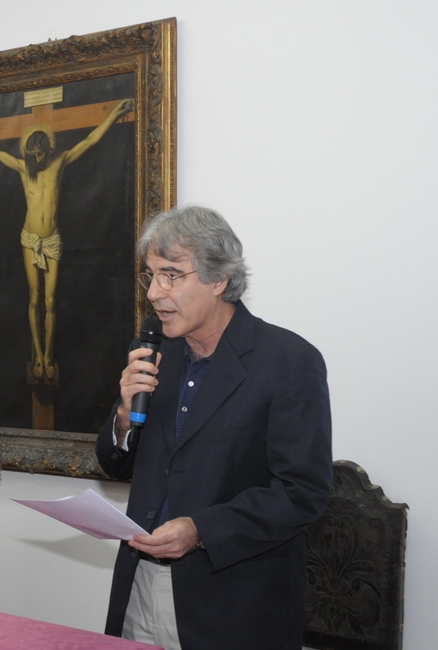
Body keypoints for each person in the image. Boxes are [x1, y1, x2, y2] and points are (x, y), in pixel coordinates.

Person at [96, 205, 332, 649]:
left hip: (231, 600)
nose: (153, 293)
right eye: (150, 276)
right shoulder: (151, 352)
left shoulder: (288, 362)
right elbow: (116, 465)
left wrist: (201, 530)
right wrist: (124, 419)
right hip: (138, 583)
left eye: (171, 275)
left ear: (218, 279)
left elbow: (303, 492)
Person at [0, 98, 133, 380]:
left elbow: (90, 140)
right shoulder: (23, 169)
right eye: (35, 155)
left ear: (48, 149)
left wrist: (115, 112)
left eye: (42, 154)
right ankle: (39, 357)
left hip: (52, 240)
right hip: (30, 239)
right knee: (34, 299)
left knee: (51, 301)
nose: (40, 159)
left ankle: (48, 354)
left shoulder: (60, 162)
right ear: (29, 152)